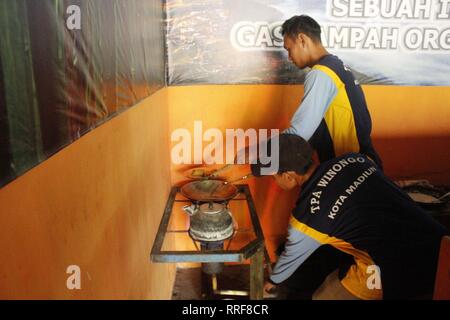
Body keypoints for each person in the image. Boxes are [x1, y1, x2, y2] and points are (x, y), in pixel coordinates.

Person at [251, 134, 448, 300]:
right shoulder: (356, 159)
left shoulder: (306, 219)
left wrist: (272, 281)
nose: (275, 182)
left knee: (322, 297)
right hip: (439, 243)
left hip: (394, 268)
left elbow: (289, 261)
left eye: (273, 176)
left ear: (288, 175)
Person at [281, 15, 383, 170]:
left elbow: (299, 134)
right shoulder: (336, 66)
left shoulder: (321, 73)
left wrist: (260, 151)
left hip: (348, 170)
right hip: (364, 163)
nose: (289, 57)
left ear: (302, 39)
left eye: (289, 49)